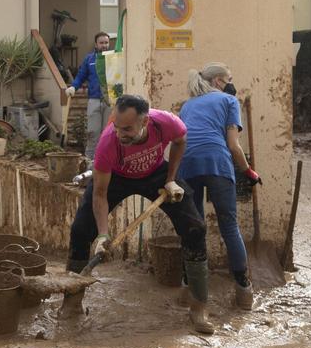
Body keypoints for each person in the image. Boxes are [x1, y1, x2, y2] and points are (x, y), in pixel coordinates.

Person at [67, 94, 214, 334]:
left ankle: (199, 306)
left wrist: (171, 179)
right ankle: (72, 303)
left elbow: (180, 141)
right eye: (116, 127)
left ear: (145, 122)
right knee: (81, 230)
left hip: (156, 173)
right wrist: (103, 235)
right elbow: (100, 194)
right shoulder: (108, 143)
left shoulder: (167, 123)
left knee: (195, 228)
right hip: (117, 177)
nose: (120, 133)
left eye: (127, 129)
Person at [179, 63, 261, 311]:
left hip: (187, 165)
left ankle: (189, 290)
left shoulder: (187, 105)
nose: (231, 84)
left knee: (193, 229)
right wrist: (249, 172)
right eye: (229, 79)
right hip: (217, 162)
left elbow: (181, 141)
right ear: (217, 81)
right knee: (229, 226)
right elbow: (234, 146)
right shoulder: (228, 100)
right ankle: (244, 293)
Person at [66, 32, 113, 161]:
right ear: (96, 44)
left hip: (110, 101)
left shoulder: (114, 58)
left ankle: (106, 160)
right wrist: (73, 87)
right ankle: (89, 161)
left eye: (106, 42)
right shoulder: (89, 59)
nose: (104, 45)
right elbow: (81, 76)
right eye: (101, 43)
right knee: (93, 132)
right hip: (94, 100)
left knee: (108, 133)